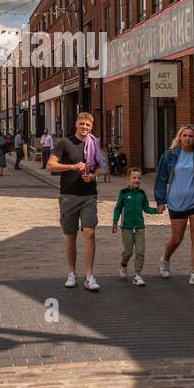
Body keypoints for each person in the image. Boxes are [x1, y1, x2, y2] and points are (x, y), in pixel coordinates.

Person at [153, 125, 194, 288]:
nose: (188, 138)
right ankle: (165, 259)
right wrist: (160, 201)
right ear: (179, 138)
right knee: (177, 238)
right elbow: (161, 178)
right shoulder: (170, 155)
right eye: (185, 135)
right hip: (176, 201)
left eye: (191, 136)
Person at [47, 111, 103, 291]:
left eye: (88, 124)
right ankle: (72, 273)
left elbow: (101, 167)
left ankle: (89, 275)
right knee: (70, 236)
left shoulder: (94, 143)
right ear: (77, 124)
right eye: (82, 124)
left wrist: (93, 176)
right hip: (68, 196)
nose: (84, 127)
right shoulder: (65, 143)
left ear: (91, 126)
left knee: (90, 233)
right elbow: (50, 165)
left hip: (89, 195)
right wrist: (71, 166)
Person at [112, 166, 159, 286]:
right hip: (126, 226)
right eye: (134, 177)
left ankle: (137, 275)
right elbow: (117, 209)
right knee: (128, 252)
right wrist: (114, 222)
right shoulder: (123, 193)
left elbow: (146, 208)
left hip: (139, 227)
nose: (137, 180)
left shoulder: (142, 194)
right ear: (128, 179)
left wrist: (157, 210)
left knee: (140, 251)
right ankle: (123, 264)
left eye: (139, 178)